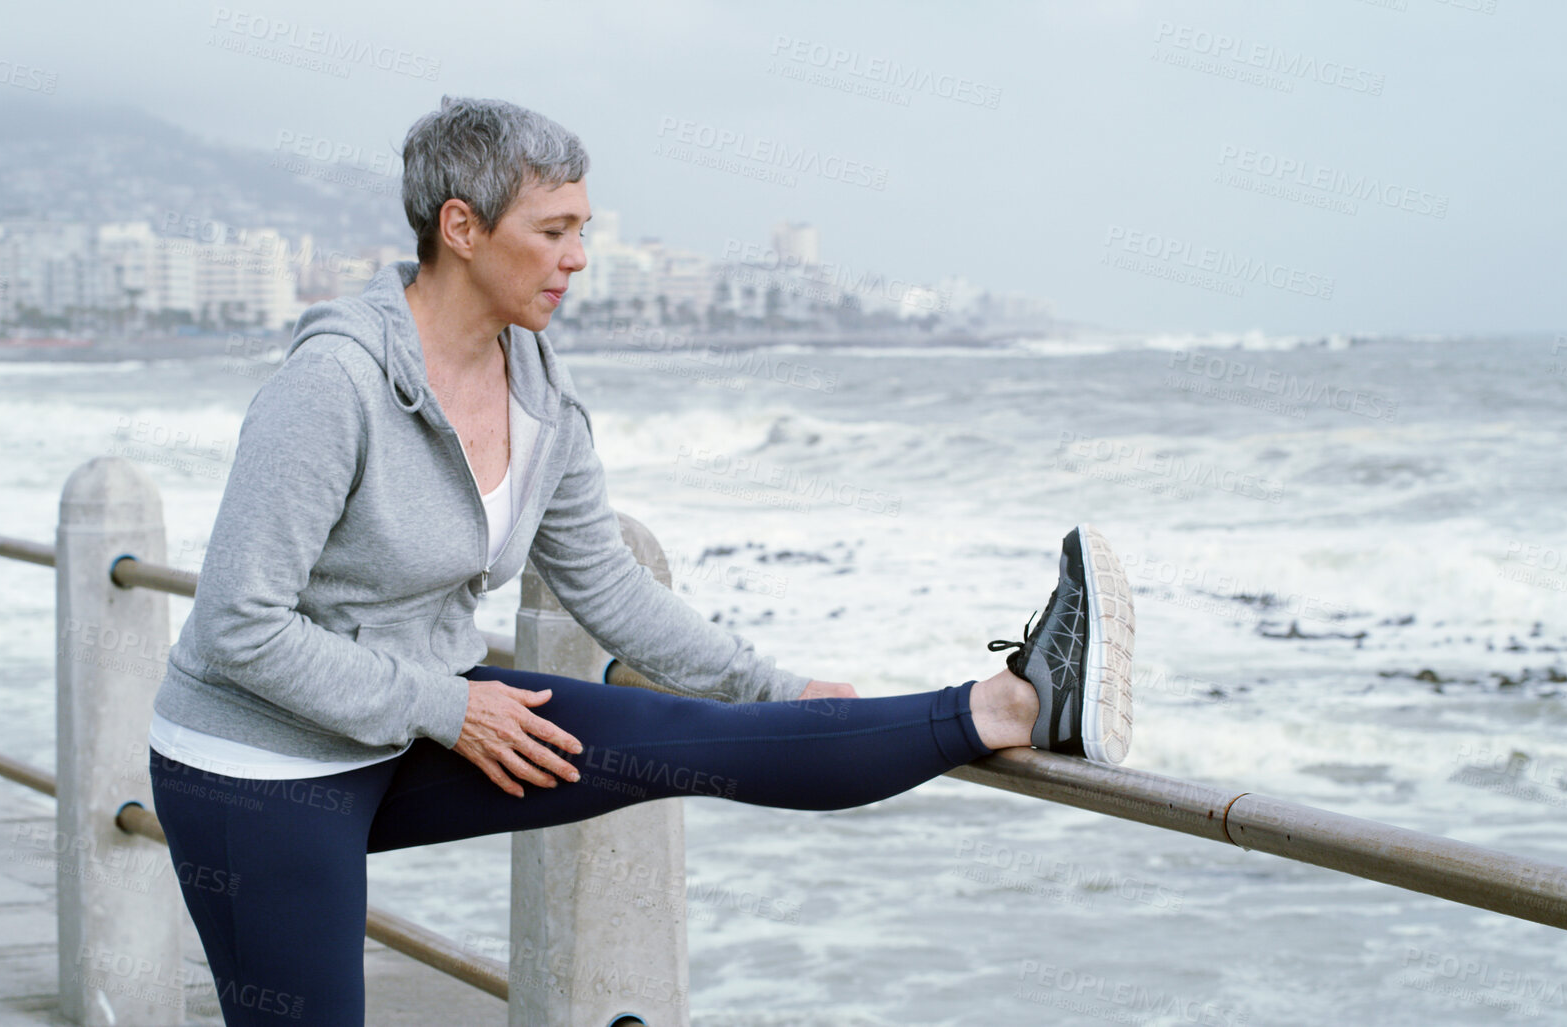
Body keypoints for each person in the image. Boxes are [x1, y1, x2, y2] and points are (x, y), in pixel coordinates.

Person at [145, 95, 1136, 1026]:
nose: (579, 258)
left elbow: (609, 585)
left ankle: (1012, 701)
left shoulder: (535, 383)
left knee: (692, 736)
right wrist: (448, 706)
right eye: (554, 230)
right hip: (260, 767)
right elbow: (240, 626)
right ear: (460, 227)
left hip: (419, 722)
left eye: (585, 229)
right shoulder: (333, 386)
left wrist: (775, 689)